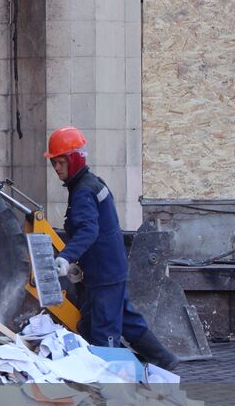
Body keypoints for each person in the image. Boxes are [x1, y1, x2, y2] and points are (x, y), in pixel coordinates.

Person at [46, 126, 178, 370]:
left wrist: (66, 257)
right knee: (127, 321)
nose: (56, 168)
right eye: (53, 162)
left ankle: (113, 389)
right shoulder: (89, 183)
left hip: (104, 274)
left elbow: (89, 230)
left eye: (60, 162)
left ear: (73, 159)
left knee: (103, 332)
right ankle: (163, 360)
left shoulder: (83, 190)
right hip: (110, 269)